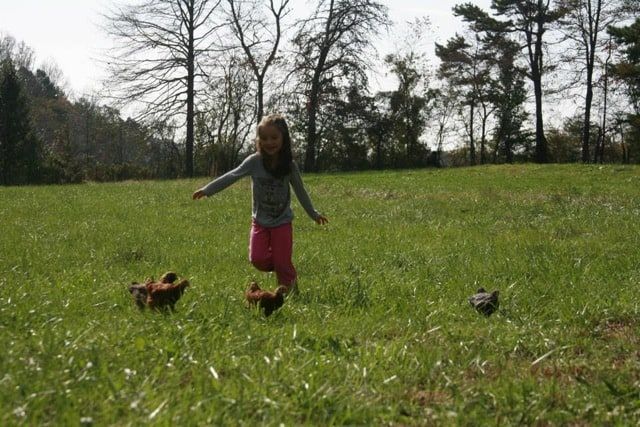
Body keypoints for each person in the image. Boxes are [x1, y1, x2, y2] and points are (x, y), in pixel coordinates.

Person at [193, 114, 328, 293]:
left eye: (274, 137)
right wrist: (207, 189)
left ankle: (290, 292)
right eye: (264, 138)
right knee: (257, 259)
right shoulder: (254, 162)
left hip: (282, 222)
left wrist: (314, 214)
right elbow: (232, 175)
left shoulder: (289, 165)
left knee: (282, 263)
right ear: (258, 140)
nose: (269, 142)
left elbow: (300, 191)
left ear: (283, 138)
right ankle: (282, 265)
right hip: (260, 221)